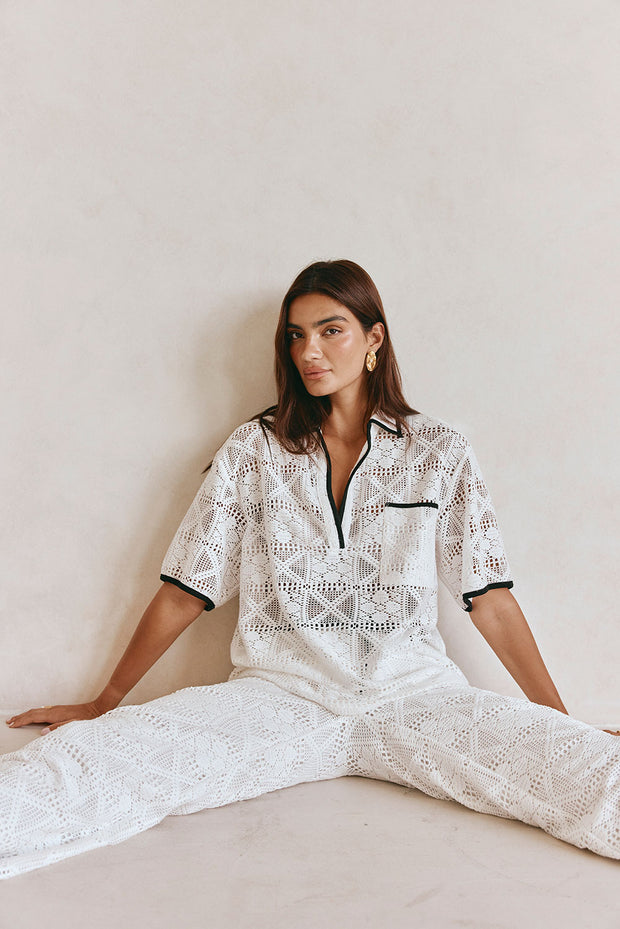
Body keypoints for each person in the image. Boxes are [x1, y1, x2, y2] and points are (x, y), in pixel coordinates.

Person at [2, 259, 619, 880]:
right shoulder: (254, 450)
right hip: (277, 695)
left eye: (331, 330)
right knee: (86, 762)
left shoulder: (439, 452)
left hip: (417, 696)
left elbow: (489, 598)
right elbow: (186, 589)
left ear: (374, 338)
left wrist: (564, 726)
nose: (309, 352)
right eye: (296, 335)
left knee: (597, 777)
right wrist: (105, 701)